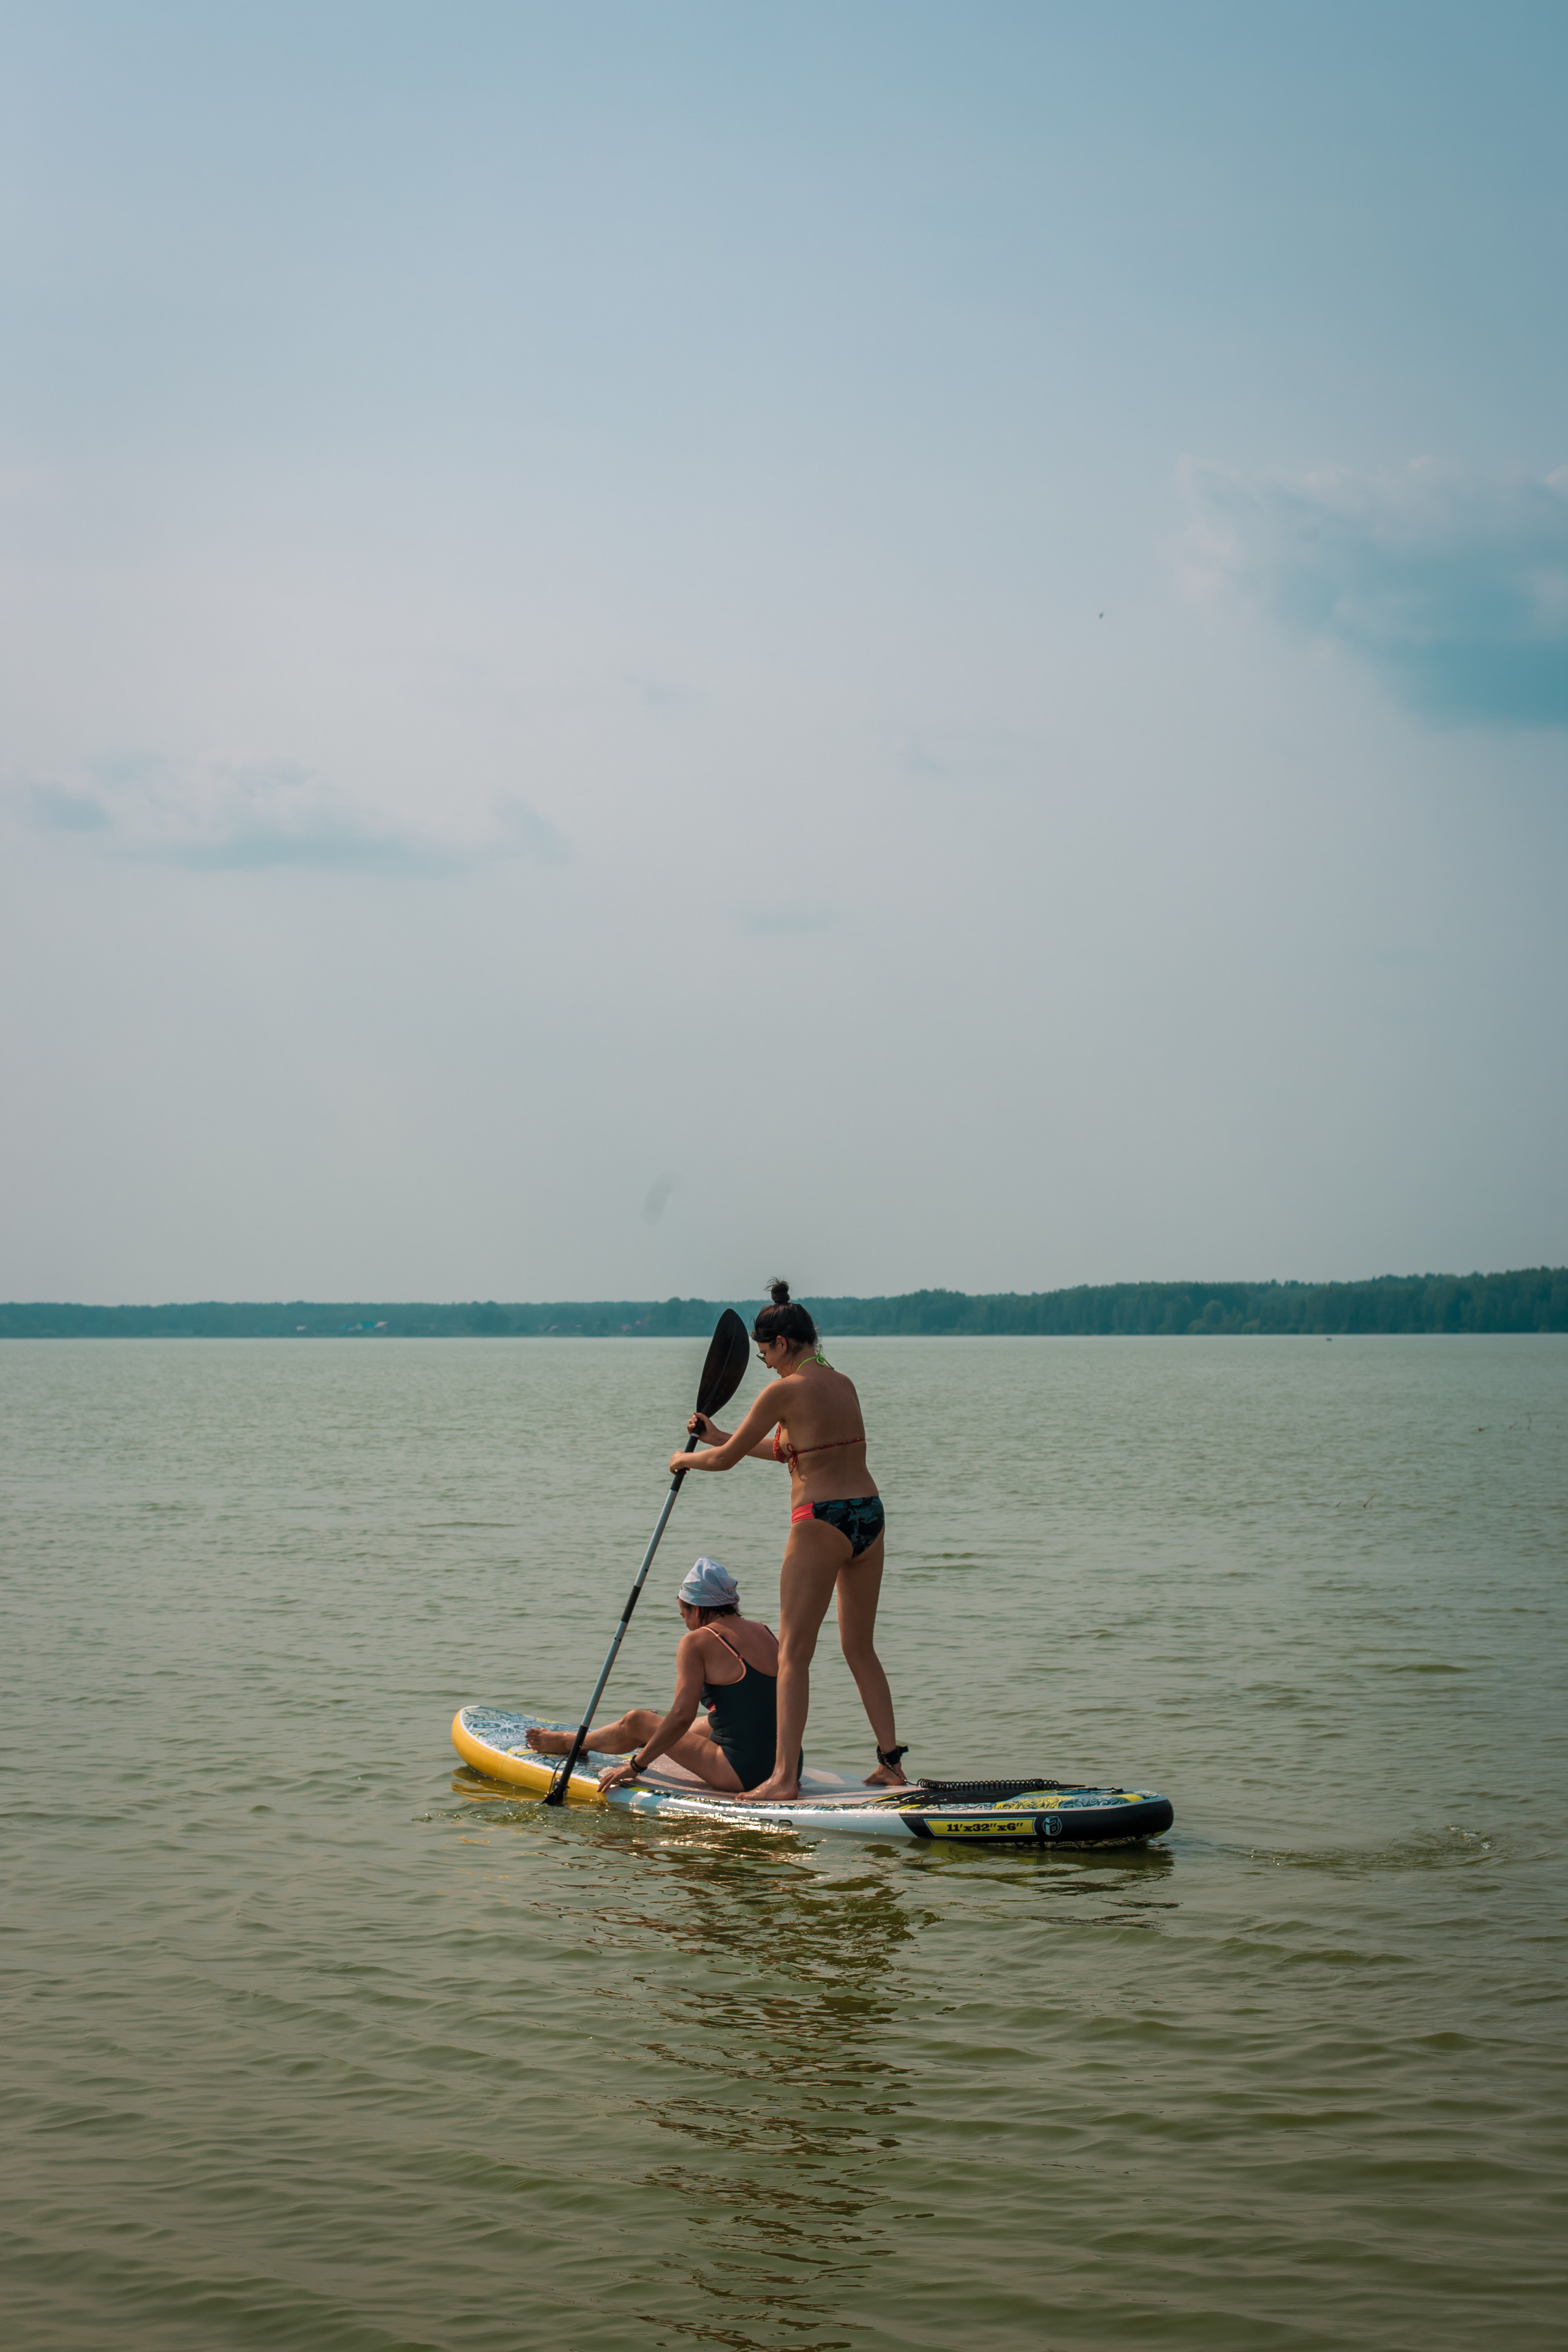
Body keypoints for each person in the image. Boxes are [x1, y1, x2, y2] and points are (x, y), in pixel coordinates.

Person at [668, 1278, 907, 1803]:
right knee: (859, 1647)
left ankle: (782, 1779)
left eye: (764, 1354)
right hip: (868, 1515)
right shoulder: (841, 1382)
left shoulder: (783, 1389)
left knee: (793, 1655)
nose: (766, 1364)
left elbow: (725, 1464)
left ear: (783, 1344)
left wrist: (686, 1457)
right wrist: (720, 1435)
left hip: (819, 1519)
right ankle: (892, 1764)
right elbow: (787, 1450)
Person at [524, 1558, 794, 1794]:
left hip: (741, 1773)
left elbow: (680, 1715)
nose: (686, 1623)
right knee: (701, 1725)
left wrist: (636, 1765)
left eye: (683, 1614)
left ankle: (570, 1742)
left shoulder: (697, 1642)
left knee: (638, 1720)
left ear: (697, 1609)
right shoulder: (764, 1631)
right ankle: (622, 1739)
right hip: (786, 1765)